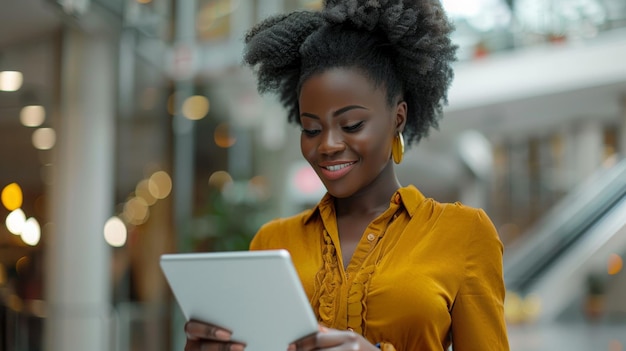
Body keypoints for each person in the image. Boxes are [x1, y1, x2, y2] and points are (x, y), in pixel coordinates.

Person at [185, 0, 510, 350]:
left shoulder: (463, 234)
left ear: (397, 118)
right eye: (311, 129)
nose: (327, 145)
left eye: (352, 124)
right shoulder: (271, 243)